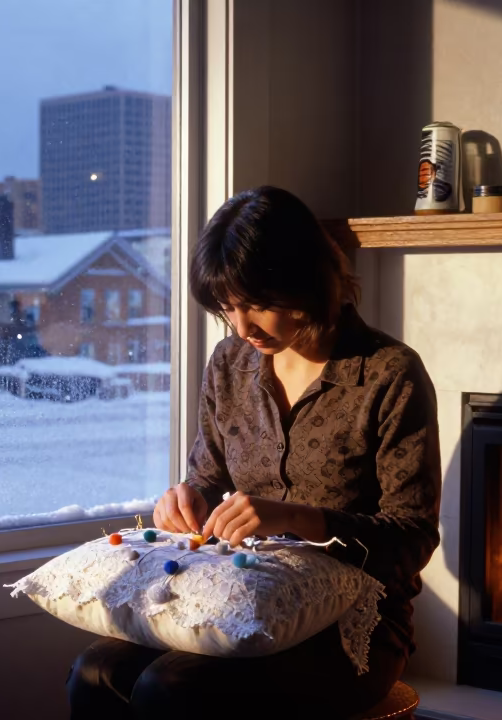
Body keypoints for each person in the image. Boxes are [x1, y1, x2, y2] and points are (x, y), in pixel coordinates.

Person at [66, 186, 442, 718]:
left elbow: (413, 537)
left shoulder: (388, 373)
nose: (243, 327)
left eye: (259, 304)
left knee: (169, 690)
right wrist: (186, 499)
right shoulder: (229, 365)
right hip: (235, 601)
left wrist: (296, 519)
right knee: (94, 675)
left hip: (351, 627)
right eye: (228, 307)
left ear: (308, 279)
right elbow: (207, 476)